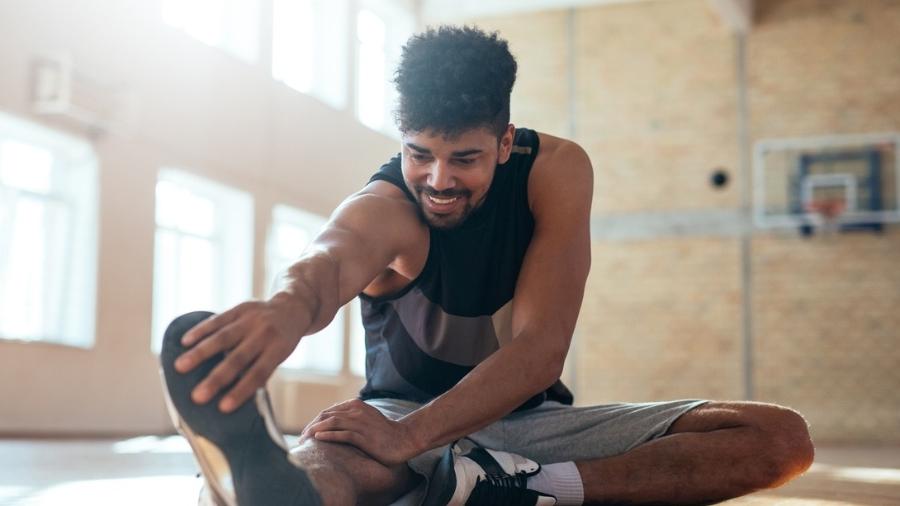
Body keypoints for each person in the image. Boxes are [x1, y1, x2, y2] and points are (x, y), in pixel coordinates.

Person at [159, 26, 814, 506]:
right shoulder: (389, 204)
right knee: (323, 465)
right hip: (395, 415)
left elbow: (538, 352)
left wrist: (413, 438)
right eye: (420, 154)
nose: (438, 180)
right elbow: (328, 262)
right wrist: (286, 308)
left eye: (464, 159)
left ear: (505, 142)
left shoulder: (554, 172)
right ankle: (271, 489)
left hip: (530, 424)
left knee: (777, 438)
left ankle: (512, 489)